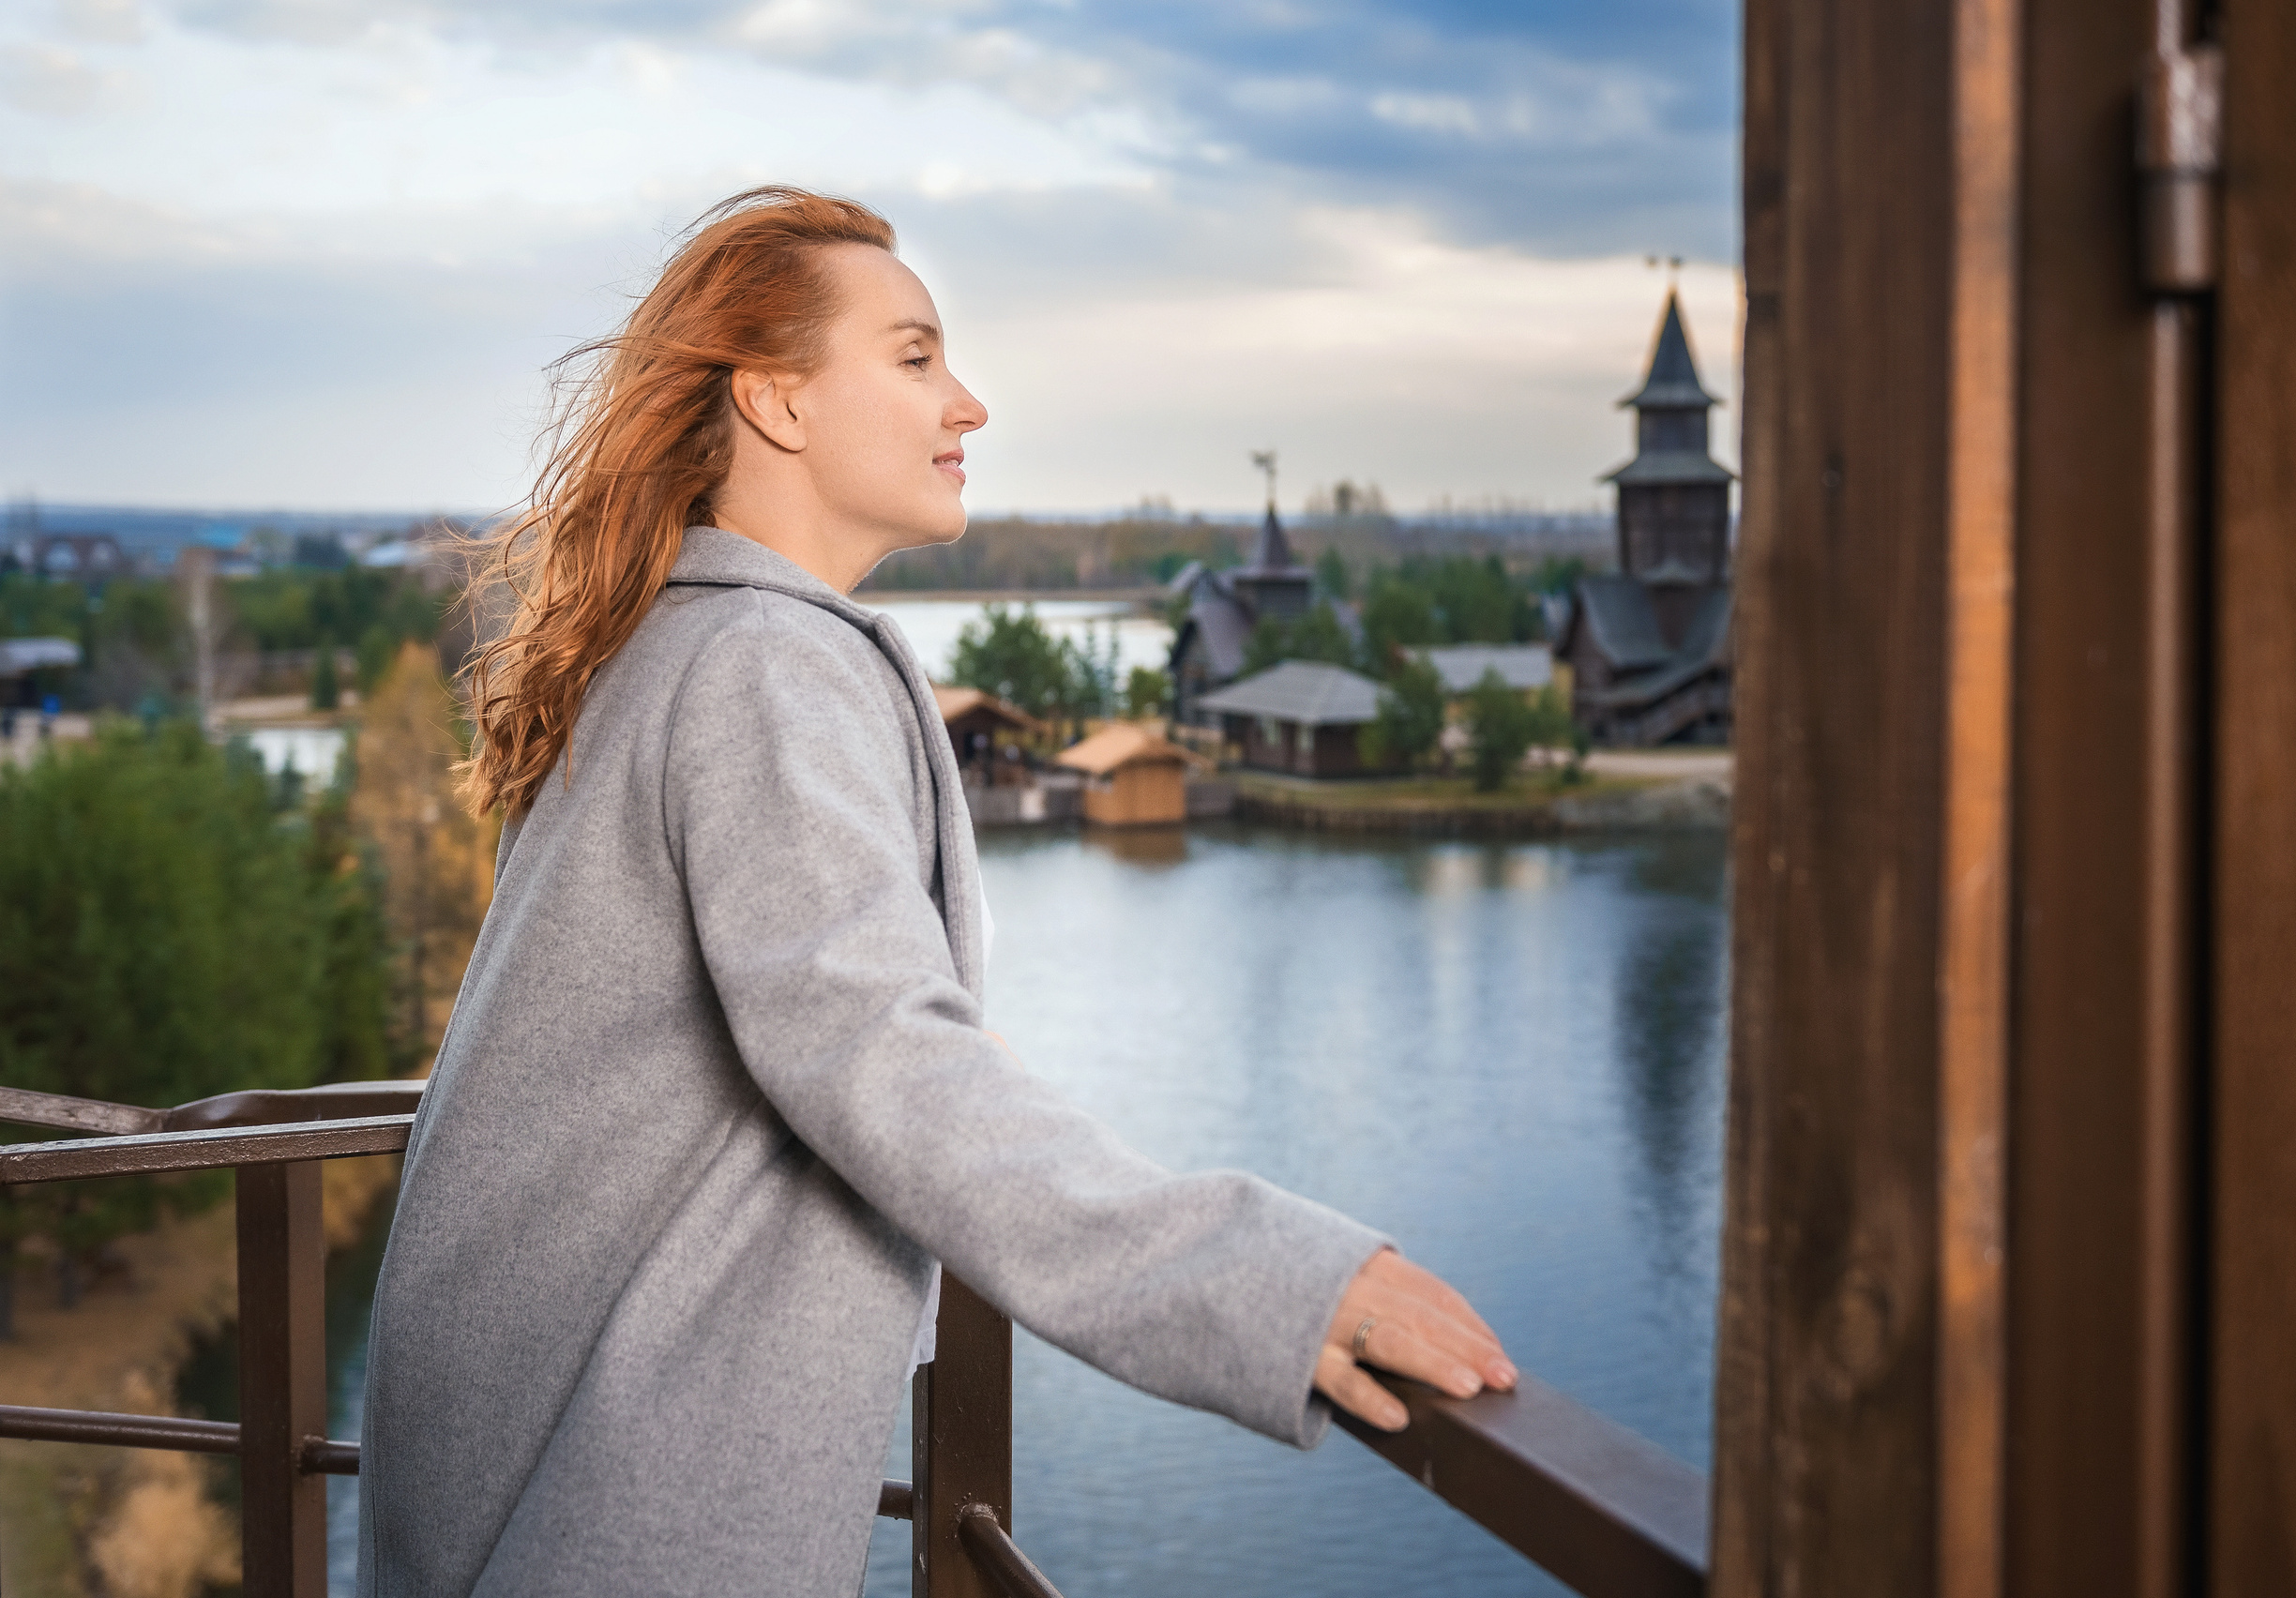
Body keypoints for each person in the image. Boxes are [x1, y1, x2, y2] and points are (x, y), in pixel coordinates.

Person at [356, 188, 1514, 1597]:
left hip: (518, 1463)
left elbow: (806, 1024)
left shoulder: (665, 647)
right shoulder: (765, 667)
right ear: (778, 399)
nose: (966, 403)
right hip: (622, 1497)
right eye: (913, 358)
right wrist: (1260, 1281)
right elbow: (875, 1055)